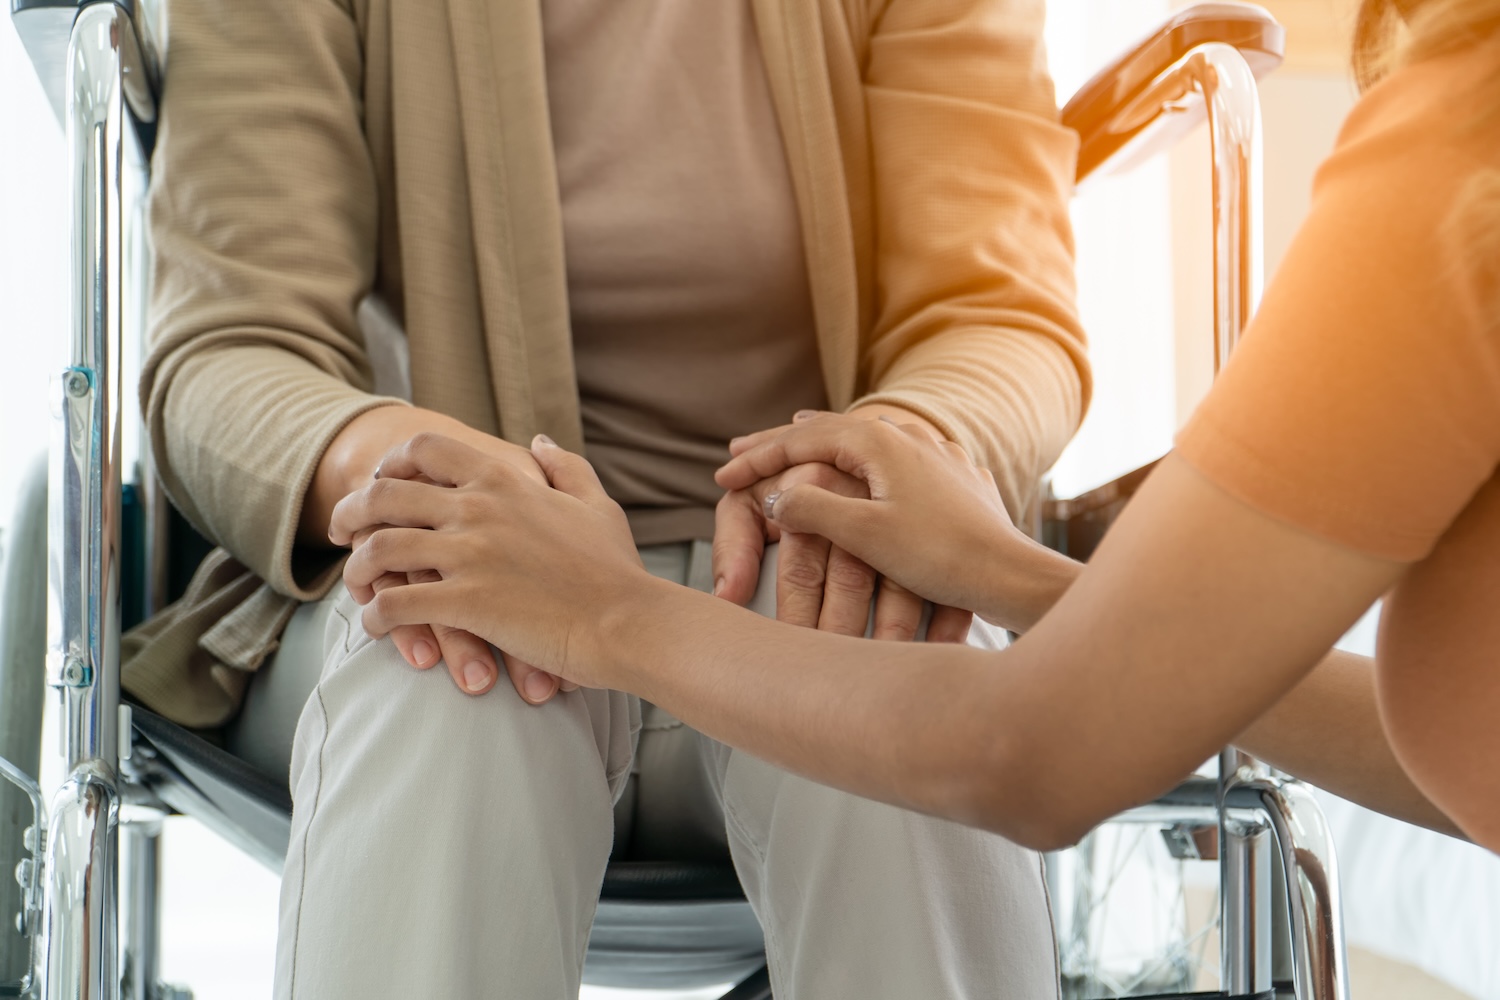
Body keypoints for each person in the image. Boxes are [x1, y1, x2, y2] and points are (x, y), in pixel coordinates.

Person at [335, 0, 1500, 860]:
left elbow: (1031, 757)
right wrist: (1017, 577)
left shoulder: (1460, 161)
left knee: (882, 689)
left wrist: (606, 611)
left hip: (770, 608)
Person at [125, 0, 1091, 995]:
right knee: (442, 661)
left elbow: (995, 313)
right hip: (440, 567)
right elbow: (230, 347)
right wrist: (454, 492)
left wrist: (883, 458)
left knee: (898, 682)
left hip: (787, 564)